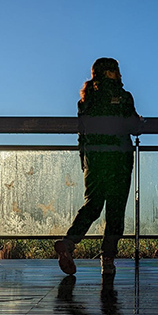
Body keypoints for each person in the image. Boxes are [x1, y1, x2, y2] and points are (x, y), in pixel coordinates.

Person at [55, 57, 142, 275]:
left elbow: (82, 133)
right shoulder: (123, 96)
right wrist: (140, 121)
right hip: (119, 160)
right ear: (108, 72)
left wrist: (84, 160)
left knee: (93, 204)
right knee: (115, 210)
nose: (119, 74)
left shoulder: (86, 100)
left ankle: (69, 242)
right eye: (116, 70)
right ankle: (108, 259)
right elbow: (134, 127)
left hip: (94, 160)